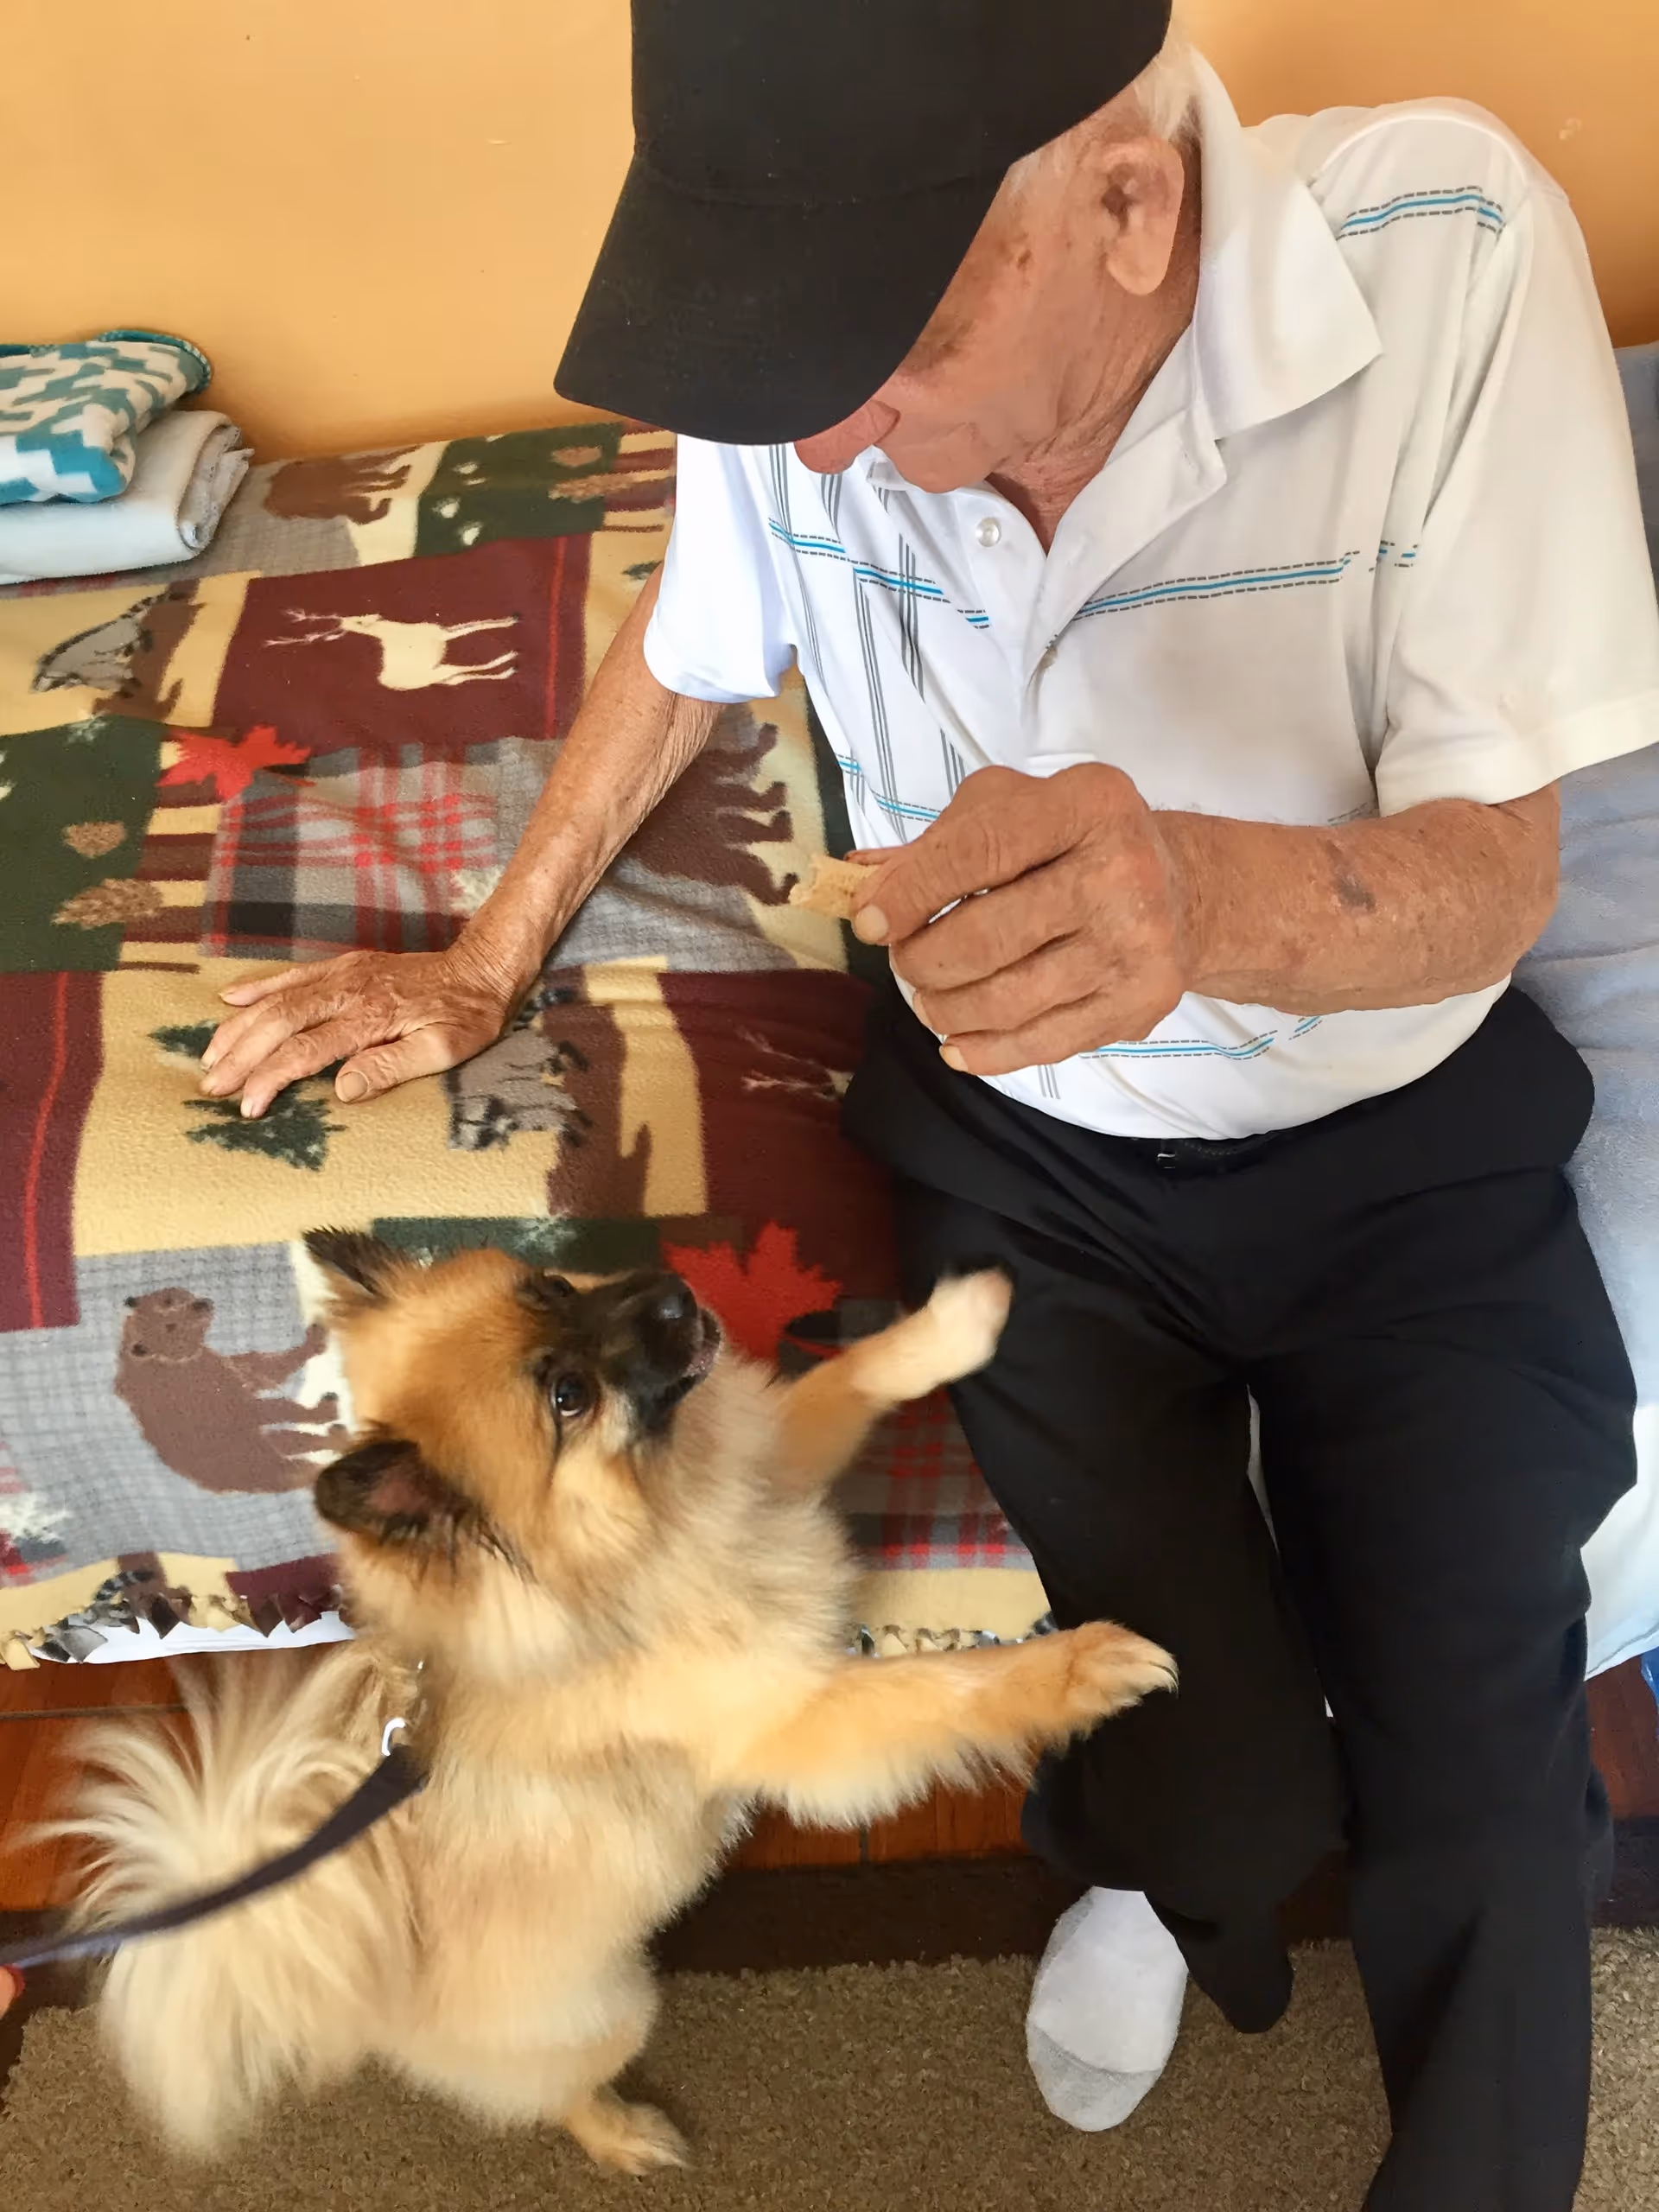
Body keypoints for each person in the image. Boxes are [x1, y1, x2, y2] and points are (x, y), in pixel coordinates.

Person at [200, 3, 1659, 2204]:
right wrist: (487, 953)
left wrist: (1203, 898)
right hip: (1026, 1152)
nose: (825, 445)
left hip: (1396, 1134)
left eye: (882, 364)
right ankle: (1174, 1884)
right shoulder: (805, 362)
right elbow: (697, 638)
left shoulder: (1450, 245)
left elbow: (1499, 867)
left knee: (1480, 1778)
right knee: (1219, 1784)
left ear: (1128, 204)